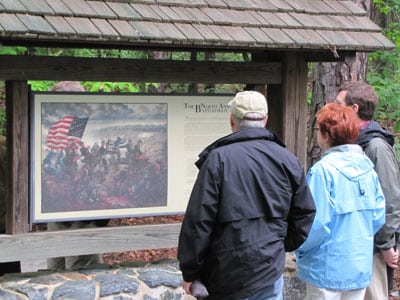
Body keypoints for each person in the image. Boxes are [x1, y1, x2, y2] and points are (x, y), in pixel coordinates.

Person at [177, 90, 316, 299]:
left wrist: (190, 271)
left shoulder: (218, 160)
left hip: (225, 274)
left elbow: (199, 222)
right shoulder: (287, 159)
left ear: (232, 120)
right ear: (266, 119)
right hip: (269, 269)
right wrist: (279, 243)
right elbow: (304, 212)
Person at [295, 103, 386, 300]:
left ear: (326, 135)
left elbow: (316, 224)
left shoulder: (322, 171)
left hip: (325, 267)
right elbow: (378, 217)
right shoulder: (368, 169)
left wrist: (299, 249)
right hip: (359, 265)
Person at [335, 81, 400, 299]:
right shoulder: (353, 142)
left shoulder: (375, 146)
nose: (333, 108)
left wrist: (386, 243)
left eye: (338, 104)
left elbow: (390, 198)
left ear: (354, 109)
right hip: (355, 244)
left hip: (373, 248)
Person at [47, 81, 108, 271]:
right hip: (57, 212)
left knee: (82, 269)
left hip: (85, 216)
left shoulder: (88, 127)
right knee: (56, 269)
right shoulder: (59, 132)